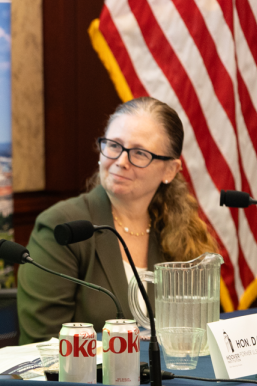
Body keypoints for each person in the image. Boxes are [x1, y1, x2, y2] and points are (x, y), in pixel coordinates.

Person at [18, 97, 219, 343]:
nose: (121, 162)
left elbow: (199, 330)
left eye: (139, 153)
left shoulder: (182, 232)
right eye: (114, 145)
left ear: (169, 171)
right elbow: (42, 345)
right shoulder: (61, 226)